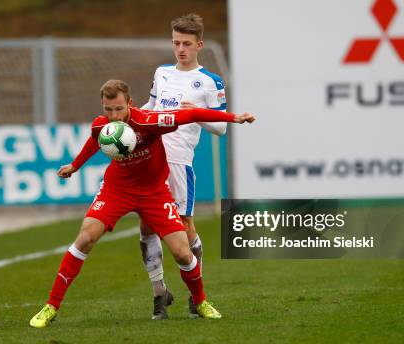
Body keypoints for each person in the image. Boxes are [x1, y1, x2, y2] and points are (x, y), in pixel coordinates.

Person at [29, 80, 255, 328]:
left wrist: (234, 117)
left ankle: (200, 301)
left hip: (154, 192)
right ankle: (51, 306)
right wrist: (75, 165)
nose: (113, 116)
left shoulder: (149, 121)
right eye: (108, 109)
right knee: (85, 238)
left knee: (182, 252)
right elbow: (95, 140)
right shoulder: (102, 126)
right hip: (118, 189)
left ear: (130, 104)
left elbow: (190, 114)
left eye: (118, 109)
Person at [139, 13, 228, 319]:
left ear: (199, 44)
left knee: (184, 226)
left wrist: (197, 111)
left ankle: (196, 295)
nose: (180, 49)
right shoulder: (162, 72)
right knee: (147, 225)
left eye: (187, 44)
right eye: (176, 42)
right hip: (151, 159)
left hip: (178, 162)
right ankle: (159, 293)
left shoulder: (210, 82)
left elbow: (221, 129)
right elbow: (150, 108)